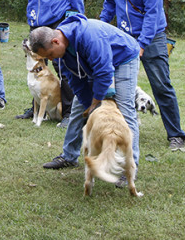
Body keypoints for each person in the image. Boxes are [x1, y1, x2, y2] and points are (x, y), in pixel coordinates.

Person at [100, 0, 185, 150]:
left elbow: (152, 15)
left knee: (161, 85)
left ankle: (176, 135)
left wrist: (141, 45)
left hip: (152, 37)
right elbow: (109, 4)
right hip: (123, 36)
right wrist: (100, 28)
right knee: (119, 85)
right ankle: (121, 128)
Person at [30, 14, 140, 178]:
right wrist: (89, 106)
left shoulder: (89, 35)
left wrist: (96, 102)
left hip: (123, 58)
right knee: (77, 109)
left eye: (50, 55)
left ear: (55, 41)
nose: (51, 59)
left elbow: (104, 72)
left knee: (124, 109)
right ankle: (69, 156)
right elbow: (76, 81)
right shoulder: (63, 54)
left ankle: (129, 167)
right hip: (97, 64)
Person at [17, 0, 84, 126]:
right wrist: (31, 14)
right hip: (37, 21)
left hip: (58, 20)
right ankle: (37, 106)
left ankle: (70, 111)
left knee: (63, 66)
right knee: (36, 63)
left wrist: (75, 19)